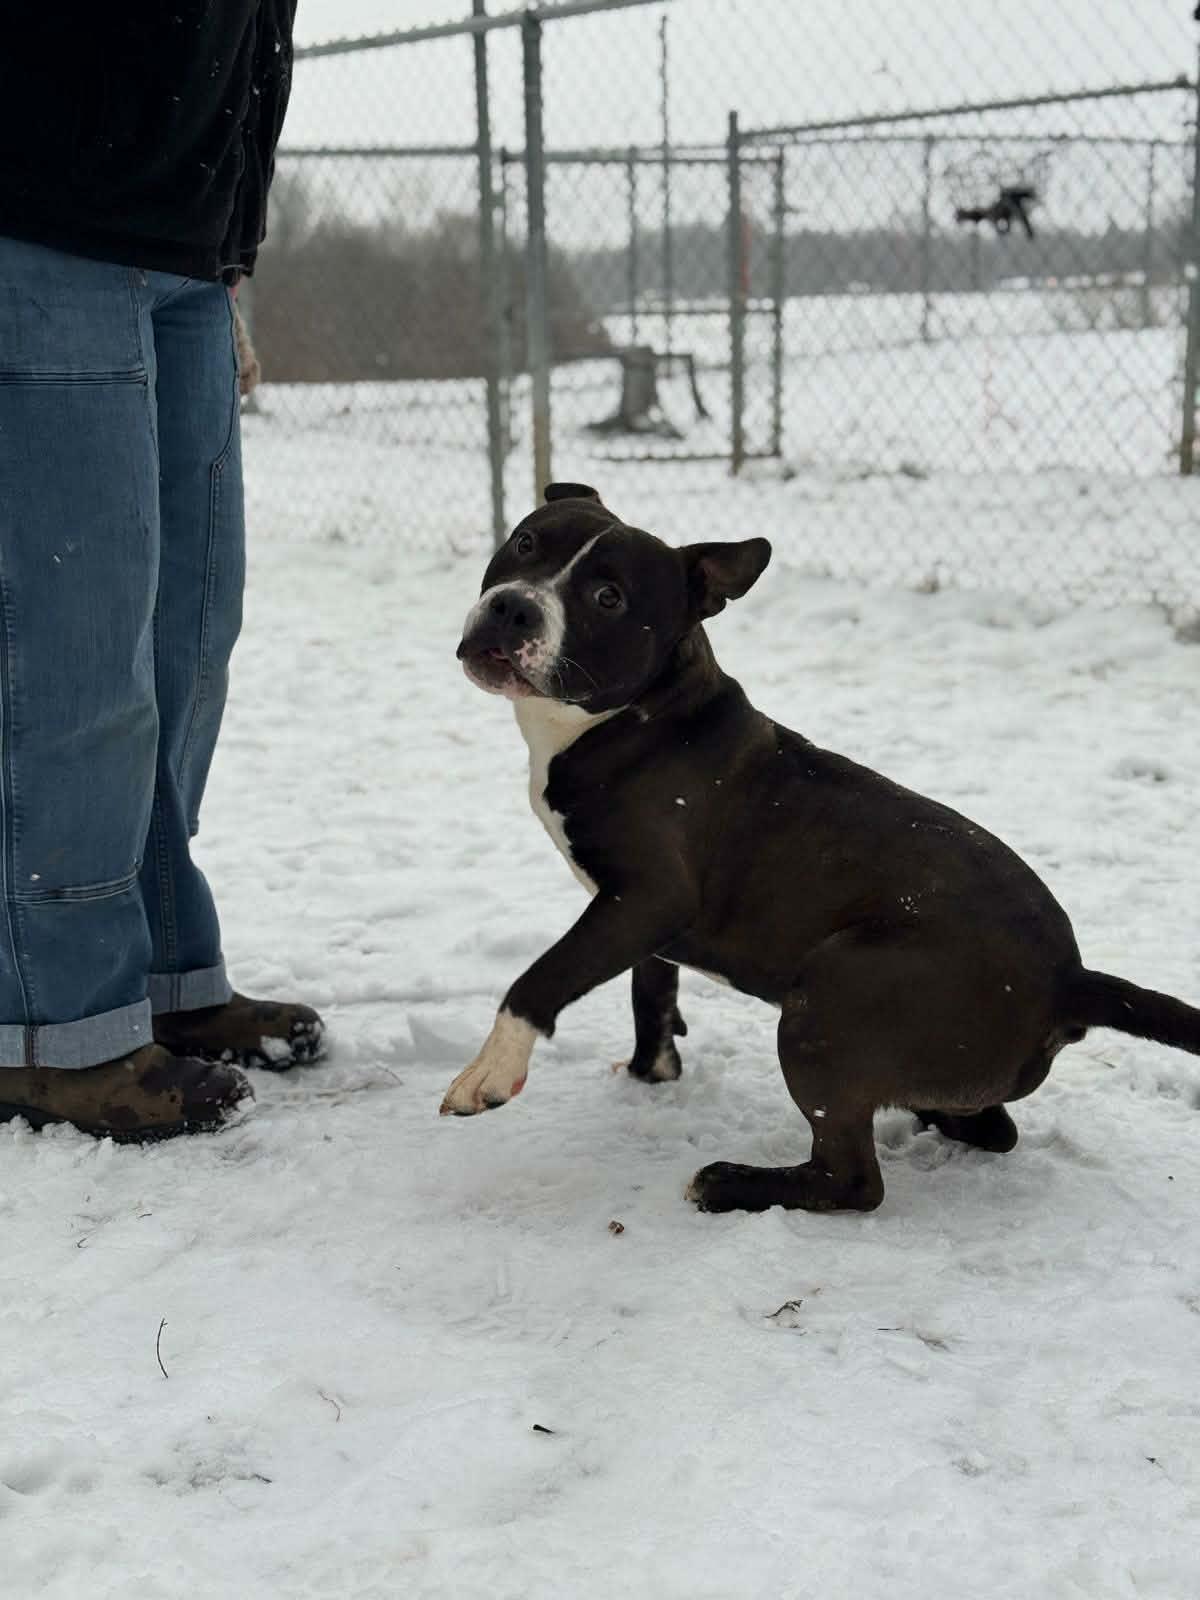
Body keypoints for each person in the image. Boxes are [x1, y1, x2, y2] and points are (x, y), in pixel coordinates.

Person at [0, 4, 323, 1141]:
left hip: (190, 237)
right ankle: (49, 1020)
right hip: (40, 214)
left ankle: (160, 966)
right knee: (70, 646)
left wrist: (233, 256)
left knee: (187, 637)